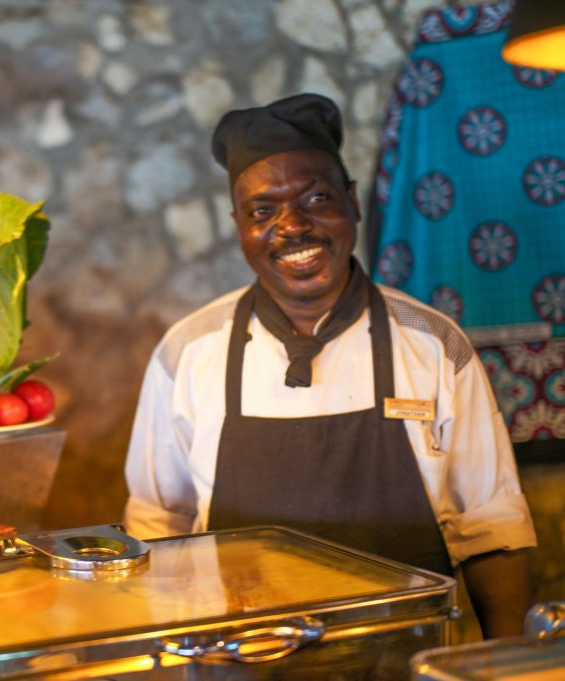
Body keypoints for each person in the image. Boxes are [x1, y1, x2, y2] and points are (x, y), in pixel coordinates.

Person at [123, 93, 537, 638]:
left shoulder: (435, 345)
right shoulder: (188, 352)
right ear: (239, 226)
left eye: (316, 198)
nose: (292, 226)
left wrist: (504, 662)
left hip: (408, 658)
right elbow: (157, 523)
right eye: (262, 211)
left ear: (353, 202)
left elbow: (492, 526)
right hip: (238, 661)